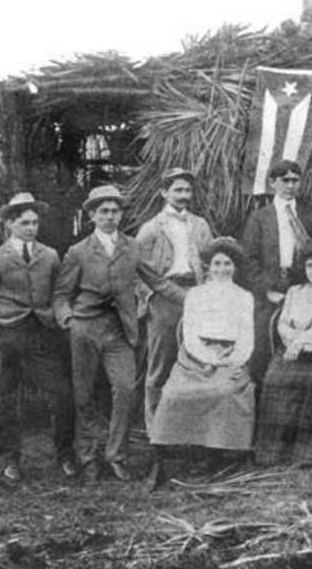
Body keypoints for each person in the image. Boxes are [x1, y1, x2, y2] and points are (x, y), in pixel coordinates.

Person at [54, 184, 167, 481]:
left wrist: (194, 297)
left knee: (126, 388)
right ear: (91, 214)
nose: (110, 216)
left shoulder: (132, 247)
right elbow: (61, 295)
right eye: (103, 211)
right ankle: (88, 455)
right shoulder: (78, 252)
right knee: (84, 394)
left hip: (119, 331)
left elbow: (158, 282)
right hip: (85, 329)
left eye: (115, 210)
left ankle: (116, 455)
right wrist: (69, 321)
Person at [0, 193, 76, 482]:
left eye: (35, 223)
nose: (31, 228)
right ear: (10, 224)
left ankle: (65, 454)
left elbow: (59, 293)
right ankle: (10, 459)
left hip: (42, 333)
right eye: (24, 223)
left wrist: (58, 317)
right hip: (10, 334)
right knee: (6, 397)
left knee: (63, 393)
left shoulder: (50, 255)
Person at [149, 237, 256, 459]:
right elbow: (189, 334)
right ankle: (170, 450)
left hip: (231, 355)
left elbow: (247, 334)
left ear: (235, 267)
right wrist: (208, 358)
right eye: (217, 264)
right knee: (174, 394)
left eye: (227, 264)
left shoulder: (244, 297)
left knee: (226, 391)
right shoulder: (196, 295)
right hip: (195, 357)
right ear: (208, 266)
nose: (222, 269)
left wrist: (234, 360)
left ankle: (218, 451)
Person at [135, 167, 213, 436]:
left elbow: (210, 261)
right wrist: (156, 297)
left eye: (187, 190)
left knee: (195, 360)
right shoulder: (151, 229)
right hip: (164, 301)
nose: (183, 195)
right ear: (164, 193)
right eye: (177, 190)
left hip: (196, 297)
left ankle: (189, 430)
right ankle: (156, 430)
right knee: (160, 364)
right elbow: (139, 272)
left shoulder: (200, 225)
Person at [254, 240, 312, 467]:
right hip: (290, 351)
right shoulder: (294, 292)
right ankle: (274, 452)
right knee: (274, 382)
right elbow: (282, 324)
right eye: (310, 266)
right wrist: (292, 343)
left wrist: (300, 343)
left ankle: (305, 453)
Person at [242, 159, 312, 383]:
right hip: (269, 292)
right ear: (272, 183)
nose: (290, 185)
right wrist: (267, 291)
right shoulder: (260, 218)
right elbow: (249, 259)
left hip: (301, 289)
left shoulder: (310, 216)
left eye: (295, 180)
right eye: (285, 180)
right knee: (262, 344)